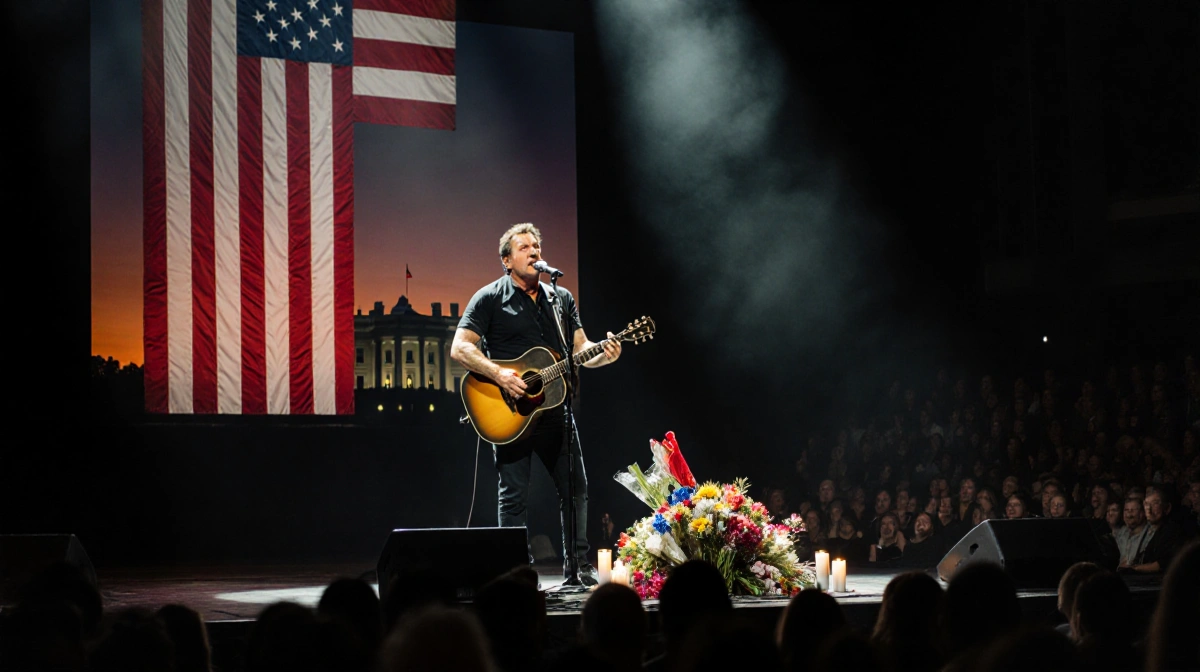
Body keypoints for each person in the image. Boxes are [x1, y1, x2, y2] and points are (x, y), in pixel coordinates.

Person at [451, 223, 622, 585]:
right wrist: (501, 376)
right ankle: (516, 573)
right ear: (506, 260)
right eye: (525, 247)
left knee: (576, 490)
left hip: (554, 411)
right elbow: (460, 348)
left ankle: (578, 567)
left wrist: (605, 356)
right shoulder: (489, 298)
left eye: (537, 246)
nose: (534, 252)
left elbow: (580, 352)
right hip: (510, 413)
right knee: (513, 498)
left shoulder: (560, 299)